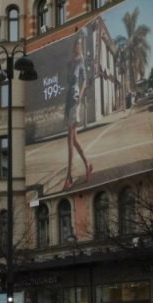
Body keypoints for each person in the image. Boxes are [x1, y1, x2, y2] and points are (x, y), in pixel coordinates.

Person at [62, 34, 93, 191]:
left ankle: (69, 176)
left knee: (69, 139)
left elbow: (85, 81)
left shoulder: (81, 61)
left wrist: (80, 97)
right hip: (69, 99)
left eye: (80, 44)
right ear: (74, 46)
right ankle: (87, 165)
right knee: (73, 140)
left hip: (75, 99)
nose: (79, 47)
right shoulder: (70, 63)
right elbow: (68, 81)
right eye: (77, 44)